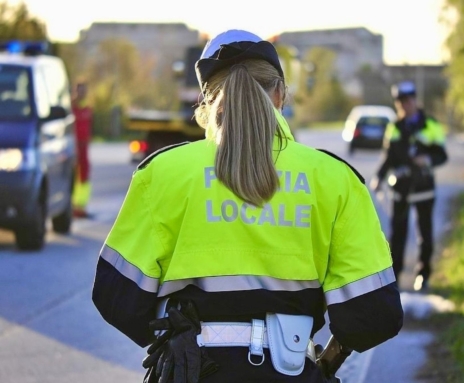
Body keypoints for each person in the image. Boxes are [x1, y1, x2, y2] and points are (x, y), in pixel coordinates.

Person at [92, 29, 403, 383]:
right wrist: (322, 361)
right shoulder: (335, 179)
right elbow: (375, 315)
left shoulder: (161, 174)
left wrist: (172, 337)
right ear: (281, 94)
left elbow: (115, 297)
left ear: (205, 103)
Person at [370, 81, 448, 291]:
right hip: (400, 189)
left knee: (425, 235)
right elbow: (388, 157)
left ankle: (423, 275)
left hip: (424, 187)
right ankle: (395, 278)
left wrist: (428, 159)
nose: (405, 105)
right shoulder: (394, 127)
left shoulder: (430, 124)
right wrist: (378, 177)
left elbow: (442, 155)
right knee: (397, 236)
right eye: (400, 102)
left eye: (408, 100)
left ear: (415, 100)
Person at [71, 81, 93, 218]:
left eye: (84, 90)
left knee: (84, 176)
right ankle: (72, 206)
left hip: (84, 148)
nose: (82, 93)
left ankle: (81, 206)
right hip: (72, 148)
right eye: (80, 90)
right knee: (72, 176)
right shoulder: (71, 109)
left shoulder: (88, 109)